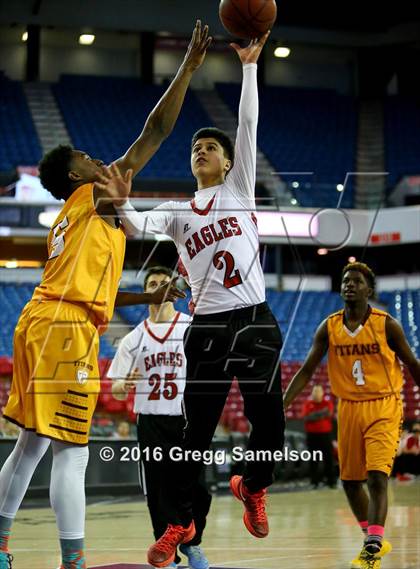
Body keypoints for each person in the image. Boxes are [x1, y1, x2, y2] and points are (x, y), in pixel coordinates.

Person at [0, 21, 211, 569]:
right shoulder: (93, 194)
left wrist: (153, 297)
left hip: (42, 319)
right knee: (73, 453)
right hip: (64, 328)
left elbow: (99, 294)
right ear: (76, 174)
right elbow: (154, 133)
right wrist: (186, 69)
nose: (102, 161)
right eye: (91, 159)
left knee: (31, 446)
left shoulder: (75, 222)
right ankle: (72, 562)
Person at [109, 31, 285, 568]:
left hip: (253, 319)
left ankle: (252, 486)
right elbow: (139, 223)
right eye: (194, 148)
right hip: (207, 326)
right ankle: (181, 524)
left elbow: (248, 126)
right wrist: (120, 204)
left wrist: (250, 67)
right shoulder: (180, 211)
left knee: (271, 426)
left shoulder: (238, 190)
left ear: (229, 164)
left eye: (209, 147)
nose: (200, 151)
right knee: (194, 435)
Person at [283, 262, 420, 569]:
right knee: (349, 481)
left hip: (383, 404)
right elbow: (306, 371)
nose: (349, 285)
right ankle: (372, 536)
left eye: (357, 281)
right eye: (346, 281)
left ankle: (371, 550)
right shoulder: (328, 326)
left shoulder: (387, 325)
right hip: (348, 408)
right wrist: (281, 405)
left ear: (369, 290)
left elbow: (411, 362)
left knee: (376, 476)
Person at [109, 266, 211, 569]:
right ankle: (170, 555)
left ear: (175, 291)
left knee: (198, 489)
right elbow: (114, 388)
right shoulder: (133, 338)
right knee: (158, 490)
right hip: (151, 421)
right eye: (151, 284)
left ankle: (193, 543)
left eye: (163, 283)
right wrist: (124, 384)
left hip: (185, 420)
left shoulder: (191, 327)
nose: (157, 287)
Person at [302, 384, 336, 488]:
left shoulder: (327, 403)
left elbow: (328, 414)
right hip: (312, 435)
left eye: (318, 391)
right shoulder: (308, 404)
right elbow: (307, 417)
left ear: (322, 393)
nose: (316, 394)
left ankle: (331, 482)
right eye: (315, 392)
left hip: (326, 435)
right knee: (313, 459)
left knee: (329, 459)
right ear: (312, 393)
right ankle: (314, 482)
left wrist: (314, 415)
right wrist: (321, 414)